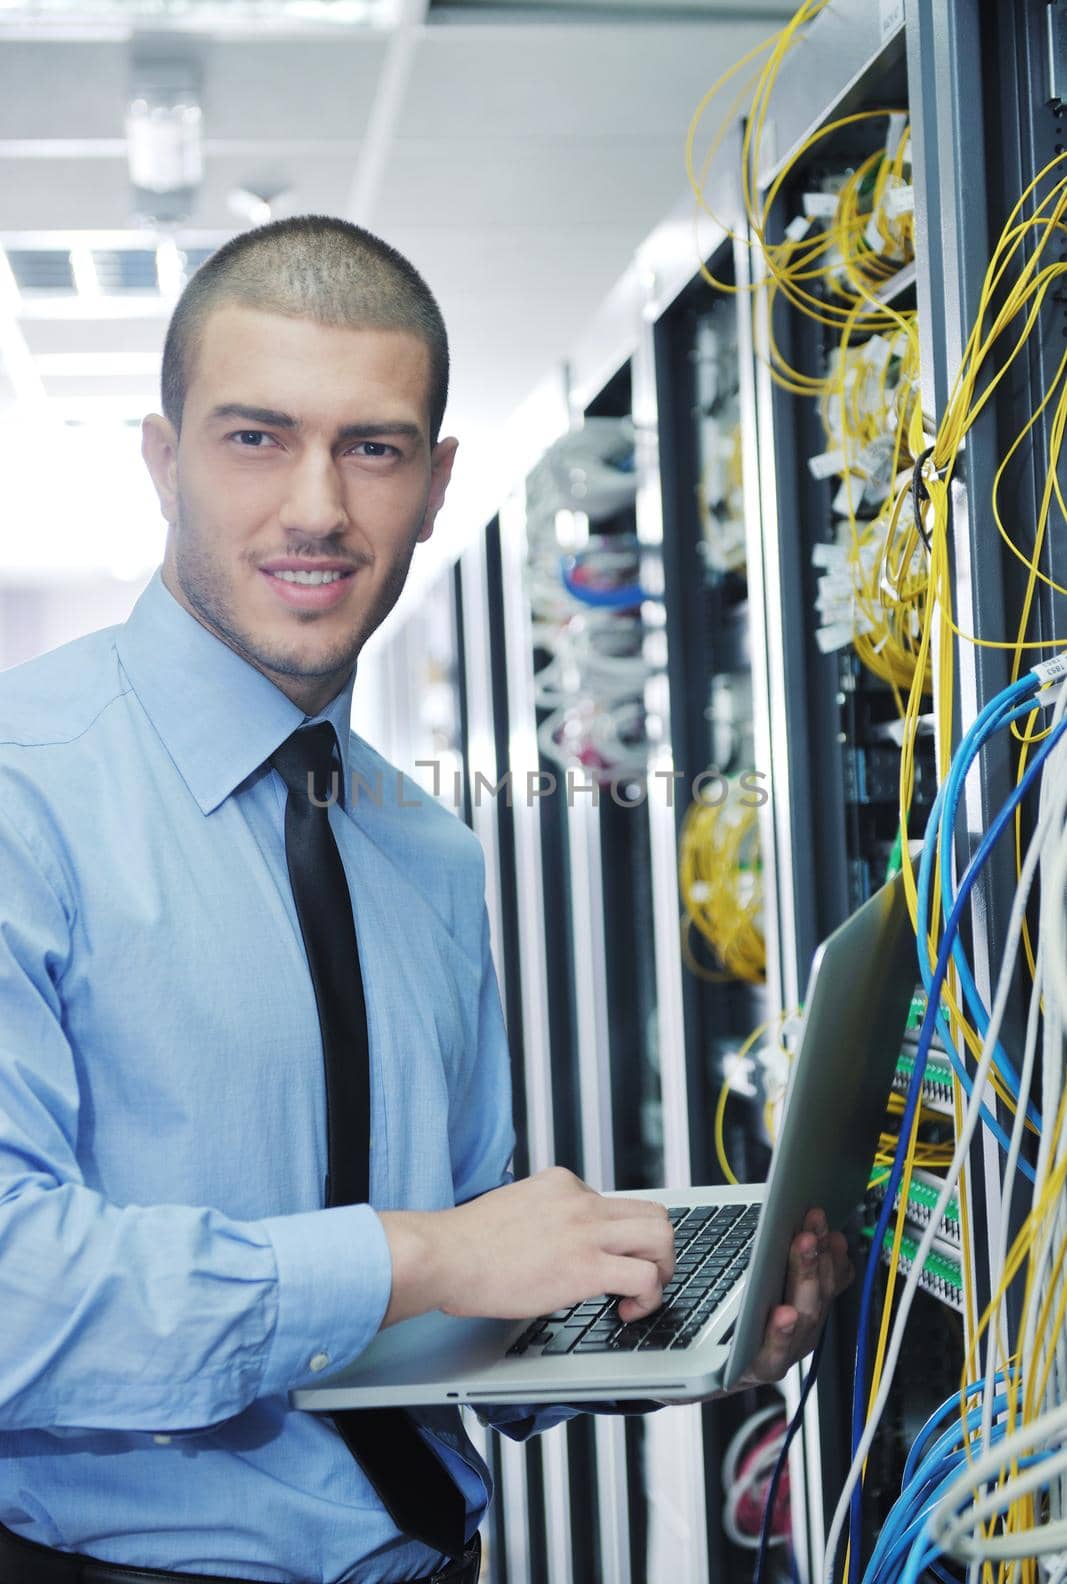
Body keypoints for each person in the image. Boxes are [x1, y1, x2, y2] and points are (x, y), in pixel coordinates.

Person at [0, 215, 851, 1584]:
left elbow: (457, 1304)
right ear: (164, 461)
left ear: (438, 480)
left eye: (374, 447)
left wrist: (672, 1327)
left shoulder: (426, 853)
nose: (321, 507)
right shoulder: (21, 791)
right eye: (255, 437)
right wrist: (422, 1255)